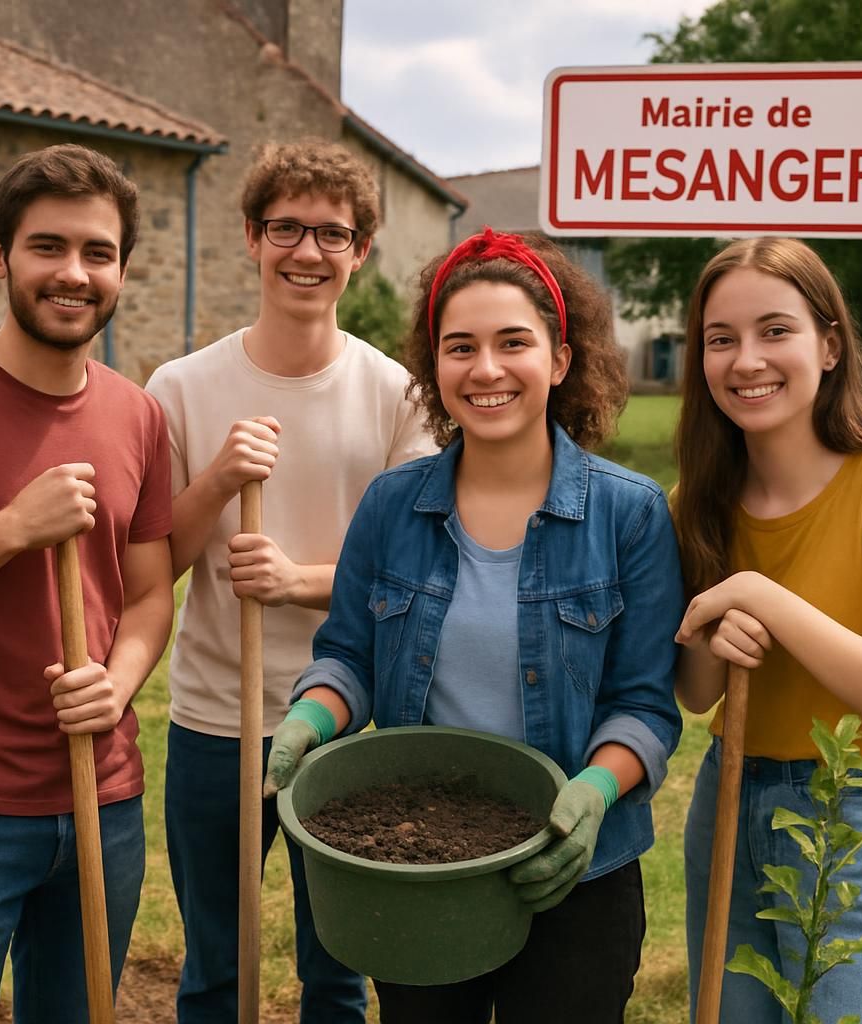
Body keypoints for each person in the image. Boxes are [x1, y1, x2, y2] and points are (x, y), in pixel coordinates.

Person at [262, 228, 684, 1024]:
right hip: (417, 860)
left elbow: (646, 703)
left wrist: (594, 790)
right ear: (435, 369)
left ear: (559, 360)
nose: (485, 369)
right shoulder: (394, 504)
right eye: (459, 347)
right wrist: (311, 717)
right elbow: (348, 652)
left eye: (512, 343)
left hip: (574, 870)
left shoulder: (628, 514)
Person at [145, 138, 434, 1023]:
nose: (307, 252)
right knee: (214, 970)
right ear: (251, 237)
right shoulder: (181, 386)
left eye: (331, 234)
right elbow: (156, 554)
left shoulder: (398, 395)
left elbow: (414, 569)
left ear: (360, 252)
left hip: (346, 719)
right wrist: (219, 482)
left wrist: (301, 578)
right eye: (287, 229)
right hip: (212, 720)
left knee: (339, 971)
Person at [0, 144, 174, 1023]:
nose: (75, 273)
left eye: (98, 254)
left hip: (103, 802)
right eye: (48, 247)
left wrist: (119, 684)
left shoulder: (137, 414)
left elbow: (146, 597)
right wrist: (10, 529)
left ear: (122, 271)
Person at [673, 237, 862, 1023]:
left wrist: (761, 595)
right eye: (720, 339)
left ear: (829, 344)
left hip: (853, 814)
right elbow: (695, 695)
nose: (746, 359)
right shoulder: (698, 499)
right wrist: (715, 643)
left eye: (774, 330)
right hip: (728, 792)